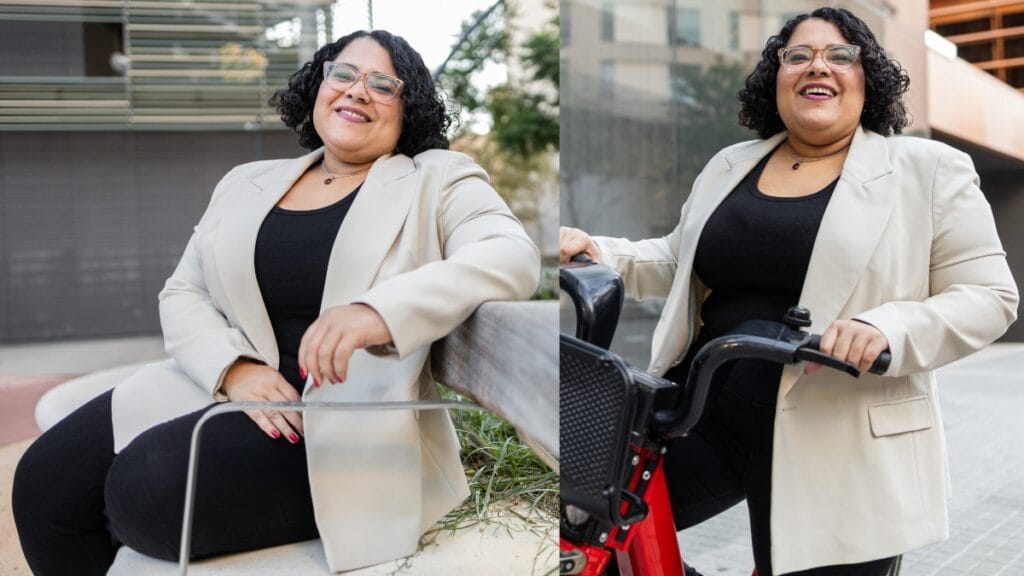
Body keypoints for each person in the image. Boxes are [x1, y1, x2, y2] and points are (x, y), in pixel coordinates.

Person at [13, 29, 540, 575]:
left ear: (408, 111)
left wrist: (377, 311)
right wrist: (234, 369)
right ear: (318, 85)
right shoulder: (247, 181)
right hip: (222, 385)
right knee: (41, 485)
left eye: (383, 85)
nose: (358, 91)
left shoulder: (438, 179)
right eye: (344, 74)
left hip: (335, 424)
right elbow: (183, 289)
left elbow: (510, 255)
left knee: (145, 493)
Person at [560, 7, 1017, 576]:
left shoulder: (928, 169)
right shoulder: (732, 164)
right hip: (704, 411)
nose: (815, 66)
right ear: (775, 78)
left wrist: (886, 329)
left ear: (867, 76)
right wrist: (598, 250)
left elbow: (988, 295)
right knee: (595, 542)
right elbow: (679, 258)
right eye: (796, 56)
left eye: (839, 55)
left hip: (842, 434)